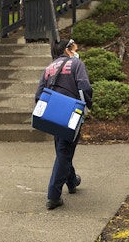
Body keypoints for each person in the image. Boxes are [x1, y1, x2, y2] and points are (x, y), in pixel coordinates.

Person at [34, 37, 93, 210]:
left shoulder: (49, 68)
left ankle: (72, 181)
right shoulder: (76, 64)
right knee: (65, 151)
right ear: (68, 50)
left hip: (53, 114)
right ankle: (53, 196)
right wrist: (87, 106)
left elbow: (39, 94)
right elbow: (84, 87)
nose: (76, 52)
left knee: (62, 149)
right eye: (74, 48)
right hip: (71, 113)